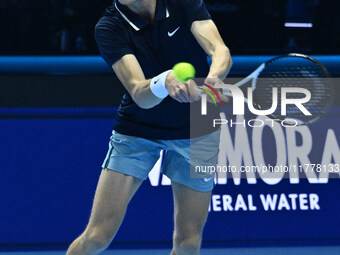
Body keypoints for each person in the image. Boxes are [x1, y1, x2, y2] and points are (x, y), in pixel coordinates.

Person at [66, 0, 232, 254]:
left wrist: (212, 79)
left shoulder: (182, 4)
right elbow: (139, 93)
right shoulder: (110, 26)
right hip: (138, 131)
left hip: (197, 130)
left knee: (188, 242)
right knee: (98, 236)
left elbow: (220, 51)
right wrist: (163, 82)